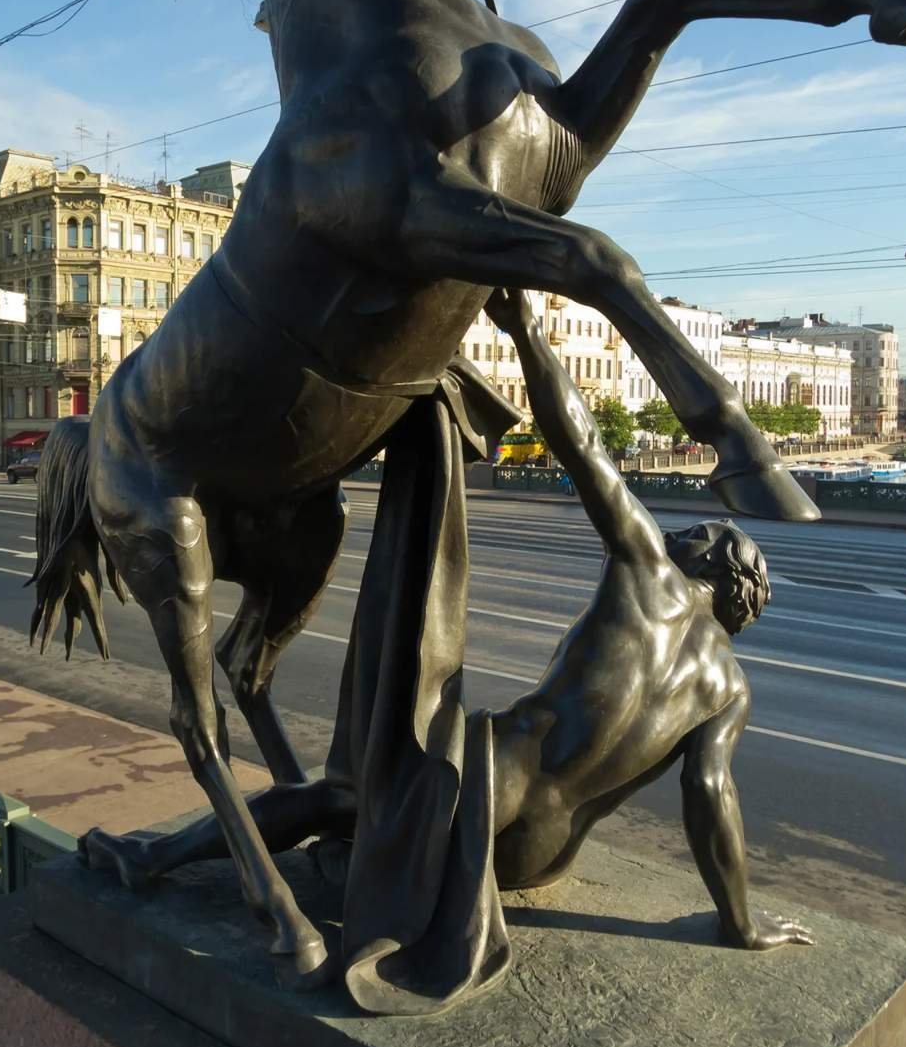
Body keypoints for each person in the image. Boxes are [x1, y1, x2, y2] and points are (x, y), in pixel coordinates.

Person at [80, 287, 812, 953]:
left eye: (707, 535)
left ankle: (155, 857)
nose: (690, 532)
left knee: (329, 799)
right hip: (539, 857)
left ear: (721, 567)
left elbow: (583, 447)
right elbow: (710, 795)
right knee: (352, 807)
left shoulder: (652, 574)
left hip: (490, 791)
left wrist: (526, 333)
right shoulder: (728, 691)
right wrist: (740, 921)